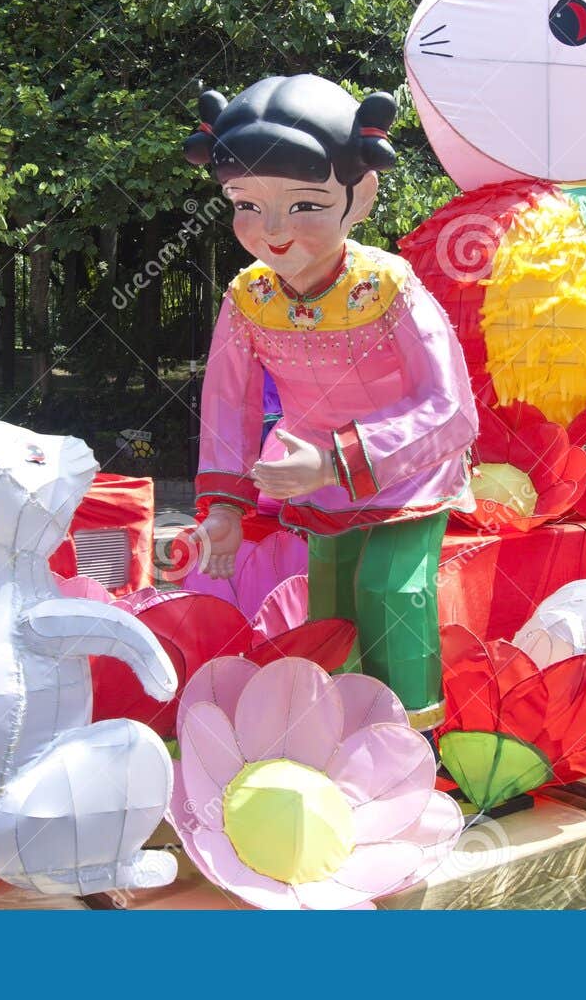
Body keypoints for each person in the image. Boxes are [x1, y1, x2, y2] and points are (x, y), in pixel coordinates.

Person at [185, 74, 478, 729]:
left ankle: (411, 734)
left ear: (360, 194)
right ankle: (343, 725)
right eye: (247, 204)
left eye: (306, 205)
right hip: (324, 486)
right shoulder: (249, 298)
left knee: (390, 586)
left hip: (407, 474)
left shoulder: (389, 287)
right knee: (333, 604)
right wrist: (225, 506)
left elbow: (452, 410)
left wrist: (330, 460)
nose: (274, 231)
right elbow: (227, 407)